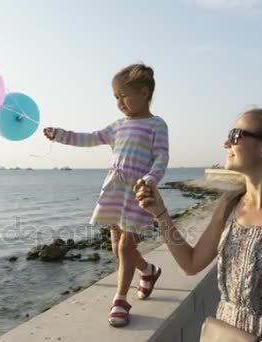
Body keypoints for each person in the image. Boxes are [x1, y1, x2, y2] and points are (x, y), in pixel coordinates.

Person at [134, 108, 262, 341]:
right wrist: (160, 214)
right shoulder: (229, 205)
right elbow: (191, 264)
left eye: (235, 135)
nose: (226, 143)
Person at [43, 63, 168, 327]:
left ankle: (120, 300)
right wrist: (59, 135)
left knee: (126, 245)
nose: (119, 102)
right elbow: (88, 138)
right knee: (116, 247)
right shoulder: (117, 126)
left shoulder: (156, 124)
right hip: (114, 189)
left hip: (137, 191)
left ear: (144, 93)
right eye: (115, 98)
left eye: (123, 96)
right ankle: (148, 271)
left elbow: (161, 157)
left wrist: (150, 179)